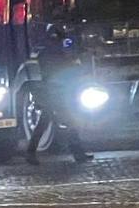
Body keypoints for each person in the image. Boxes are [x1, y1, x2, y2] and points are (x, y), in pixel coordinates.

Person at [25, 36, 94, 165]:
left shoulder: (45, 54)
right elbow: (63, 72)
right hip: (55, 93)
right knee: (69, 122)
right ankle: (78, 153)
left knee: (44, 124)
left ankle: (31, 153)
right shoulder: (55, 55)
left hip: (51, 93)